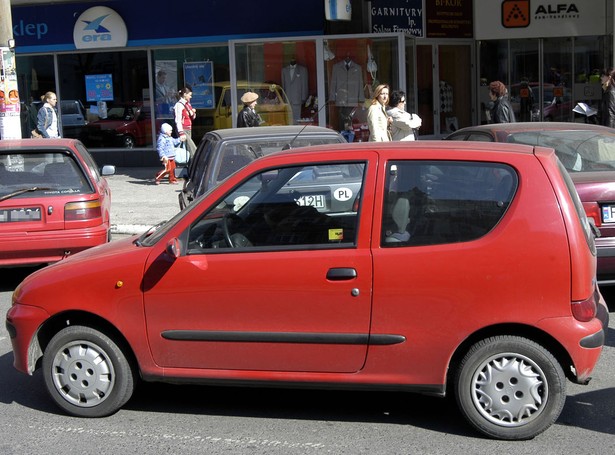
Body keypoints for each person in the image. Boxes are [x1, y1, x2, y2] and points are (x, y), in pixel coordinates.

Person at [173, 86, 197, 159]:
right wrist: (181, 133)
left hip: (188, 129)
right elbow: (178, 120)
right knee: (193, 149)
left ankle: (190, 165)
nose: (191, 97)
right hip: (183, 130)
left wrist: (193, 113)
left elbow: (192, 117)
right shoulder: (179, 105)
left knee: (188, 150)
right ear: (185, 94)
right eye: (189, 95)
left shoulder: (188, 104)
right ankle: (195, 163)